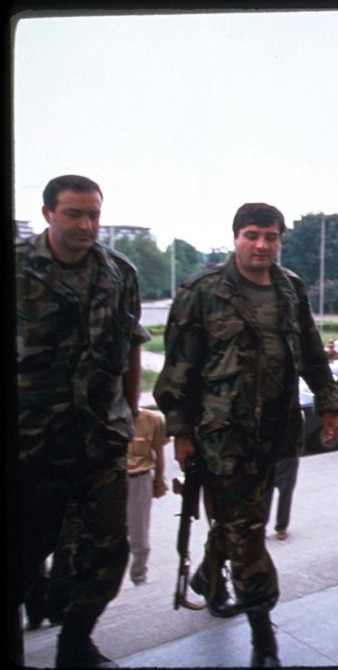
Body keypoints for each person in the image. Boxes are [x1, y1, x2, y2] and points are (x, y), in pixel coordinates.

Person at [153, 202, 338, 667]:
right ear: (236, 237)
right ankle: (264, 639)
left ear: (280, 239)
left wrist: (329, 404)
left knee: (244, 520)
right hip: (221, 435)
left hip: (276, 431)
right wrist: (180, 433)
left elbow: (314, 353)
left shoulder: (290, 287)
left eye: (271, 237)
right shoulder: (203, 290)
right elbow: (178, 368)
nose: (262, 245)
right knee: (248, 534)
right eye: (252, 235)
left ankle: (207, 578)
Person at [14, 174, 147, 668]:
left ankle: (76, 644)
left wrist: (129, 413)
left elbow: (132, 346)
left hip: (98, 440)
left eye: (94, 214)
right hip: (31, 441)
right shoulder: (19, 267)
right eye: (75, 213)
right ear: (49, 213)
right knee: (27, 550)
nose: (88, 224)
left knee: (107, 551)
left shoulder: (119, 273)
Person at [126, 407, 169, 585]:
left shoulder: (152, 419)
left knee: (140, 538)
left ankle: (139, 577)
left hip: (139, 479)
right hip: (110, 479)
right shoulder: (105, 416)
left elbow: (159, 454)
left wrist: (159, 481)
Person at [269, 456, 299, 541]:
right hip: (269, 459)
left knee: (285, 494)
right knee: (265, 494)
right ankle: (261, 526)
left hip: (288, 459)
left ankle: (281, 527)